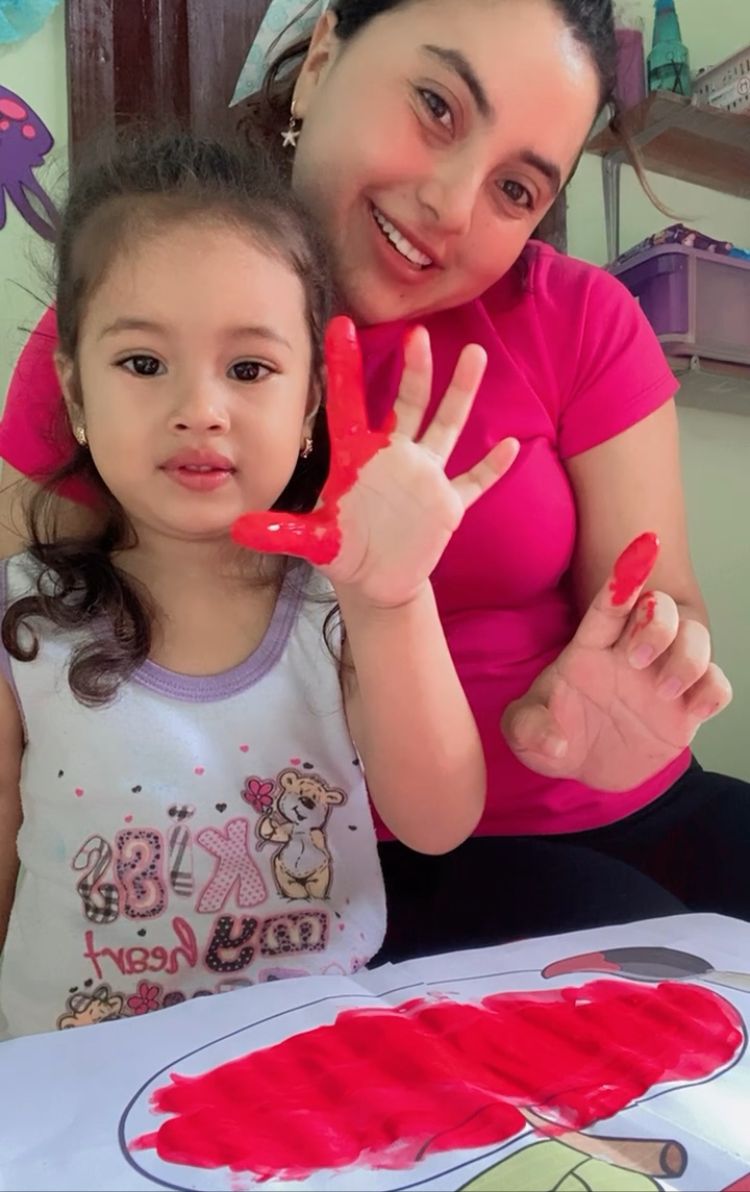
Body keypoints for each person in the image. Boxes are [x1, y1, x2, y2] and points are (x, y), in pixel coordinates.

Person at [0, 0, 746, 962]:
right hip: (335, 861)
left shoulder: (584, 318)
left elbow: (661, 592)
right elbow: (24, 654)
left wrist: (648, 666)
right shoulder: (128, 330)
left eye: (516, 189)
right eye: (437, 105)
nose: (452, 205)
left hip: (641, 803)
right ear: (321, 58)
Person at [0, 128, 526, 1038]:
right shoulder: (25, 617)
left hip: (309, 1064)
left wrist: (393, 601)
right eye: (142, 363)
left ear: (310, 402)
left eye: (249, 369)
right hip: (75, 1078)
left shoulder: (339, 602)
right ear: (74, 392)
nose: (201, 409)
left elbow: (438, 822)